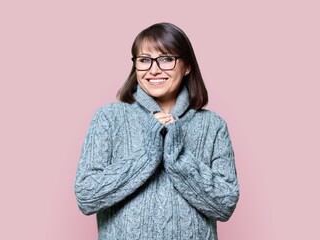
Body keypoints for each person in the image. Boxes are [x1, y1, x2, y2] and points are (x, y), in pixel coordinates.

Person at [75, 22, 239, 240]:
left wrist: (178, 157)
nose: (154, 69)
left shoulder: (213, 125)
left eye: (166, 59)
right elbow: (87, 197)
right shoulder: (109, 118)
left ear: (187, 66)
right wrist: (147, 155)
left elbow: (225, 205)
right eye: (144, 60)